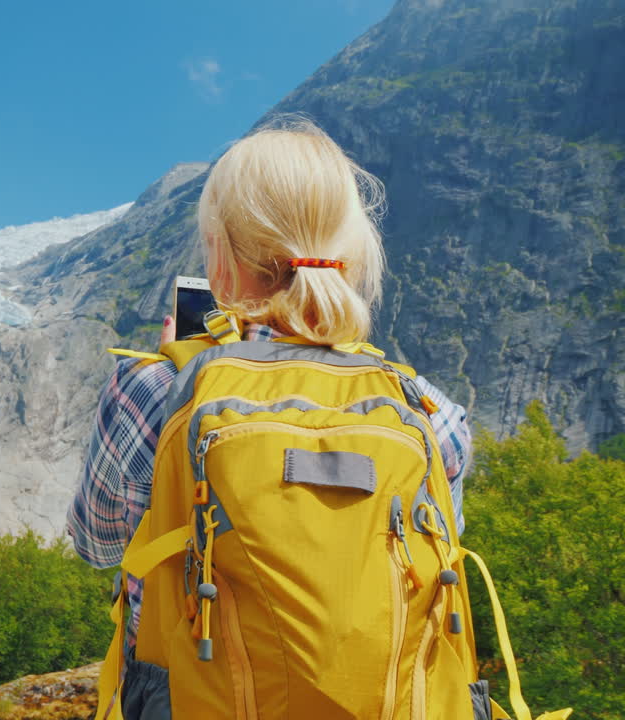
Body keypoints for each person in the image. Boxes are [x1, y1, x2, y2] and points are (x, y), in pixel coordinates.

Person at [67, 118, 474, 719]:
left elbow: (97, 542)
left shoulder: (152, 390)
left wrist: (177, 361)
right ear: (354, 254)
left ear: (224, 263)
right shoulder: (428, 412)